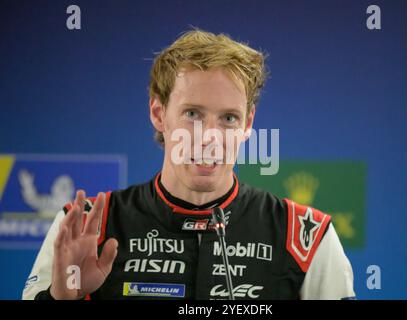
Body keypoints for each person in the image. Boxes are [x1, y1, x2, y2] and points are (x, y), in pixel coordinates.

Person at [22, 29, 355, 300]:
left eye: (228, 118)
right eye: (193, 114)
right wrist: (61, 299)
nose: (210, 136)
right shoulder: (86, 226)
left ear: (248, 123)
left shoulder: (305, 237)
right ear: (158, 114)